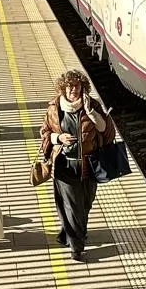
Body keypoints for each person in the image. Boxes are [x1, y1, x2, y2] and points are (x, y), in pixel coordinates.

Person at [40, 69, 116, 263]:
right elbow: (45, 133)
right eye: (69, 86)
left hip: (90, 165)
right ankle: (77, 248)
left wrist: (92, 115)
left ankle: (67, 232)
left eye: (77, 86)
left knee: (86, 204)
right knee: (73, 207)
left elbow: (108, 133)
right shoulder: (55, 108)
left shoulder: (93, 105)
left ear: (83, 87)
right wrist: (58, 138)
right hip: (65, 166)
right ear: (63, 88)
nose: (73, 90)